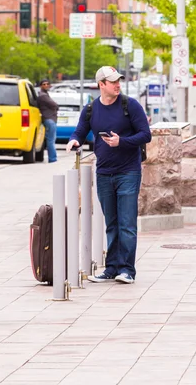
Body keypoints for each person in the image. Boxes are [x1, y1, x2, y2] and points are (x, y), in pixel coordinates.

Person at [65, 66, 151, 284]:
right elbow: (80, 131)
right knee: (111, 223)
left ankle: (127, 270)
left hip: (128, 172)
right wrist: (74, 140)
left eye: (118, 81)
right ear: (101, 85)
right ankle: (111, 268)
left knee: (127, 224)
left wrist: (122, 141)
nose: (117, 84)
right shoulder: (91, 109)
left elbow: (145, 135)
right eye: (112, 81)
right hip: (103, 172)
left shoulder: (129, 105)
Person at [37, 79, 59, 163]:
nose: (46, 85)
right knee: (51, 140)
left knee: (50, 139)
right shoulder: (43, 96)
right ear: (41, 86)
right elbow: (54, 105)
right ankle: (53, 159)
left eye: (47, 84)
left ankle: (52, 158)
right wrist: (56, 106)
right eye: (44, 84)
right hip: (49, 119)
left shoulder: (45, 94)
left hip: (49, 119)